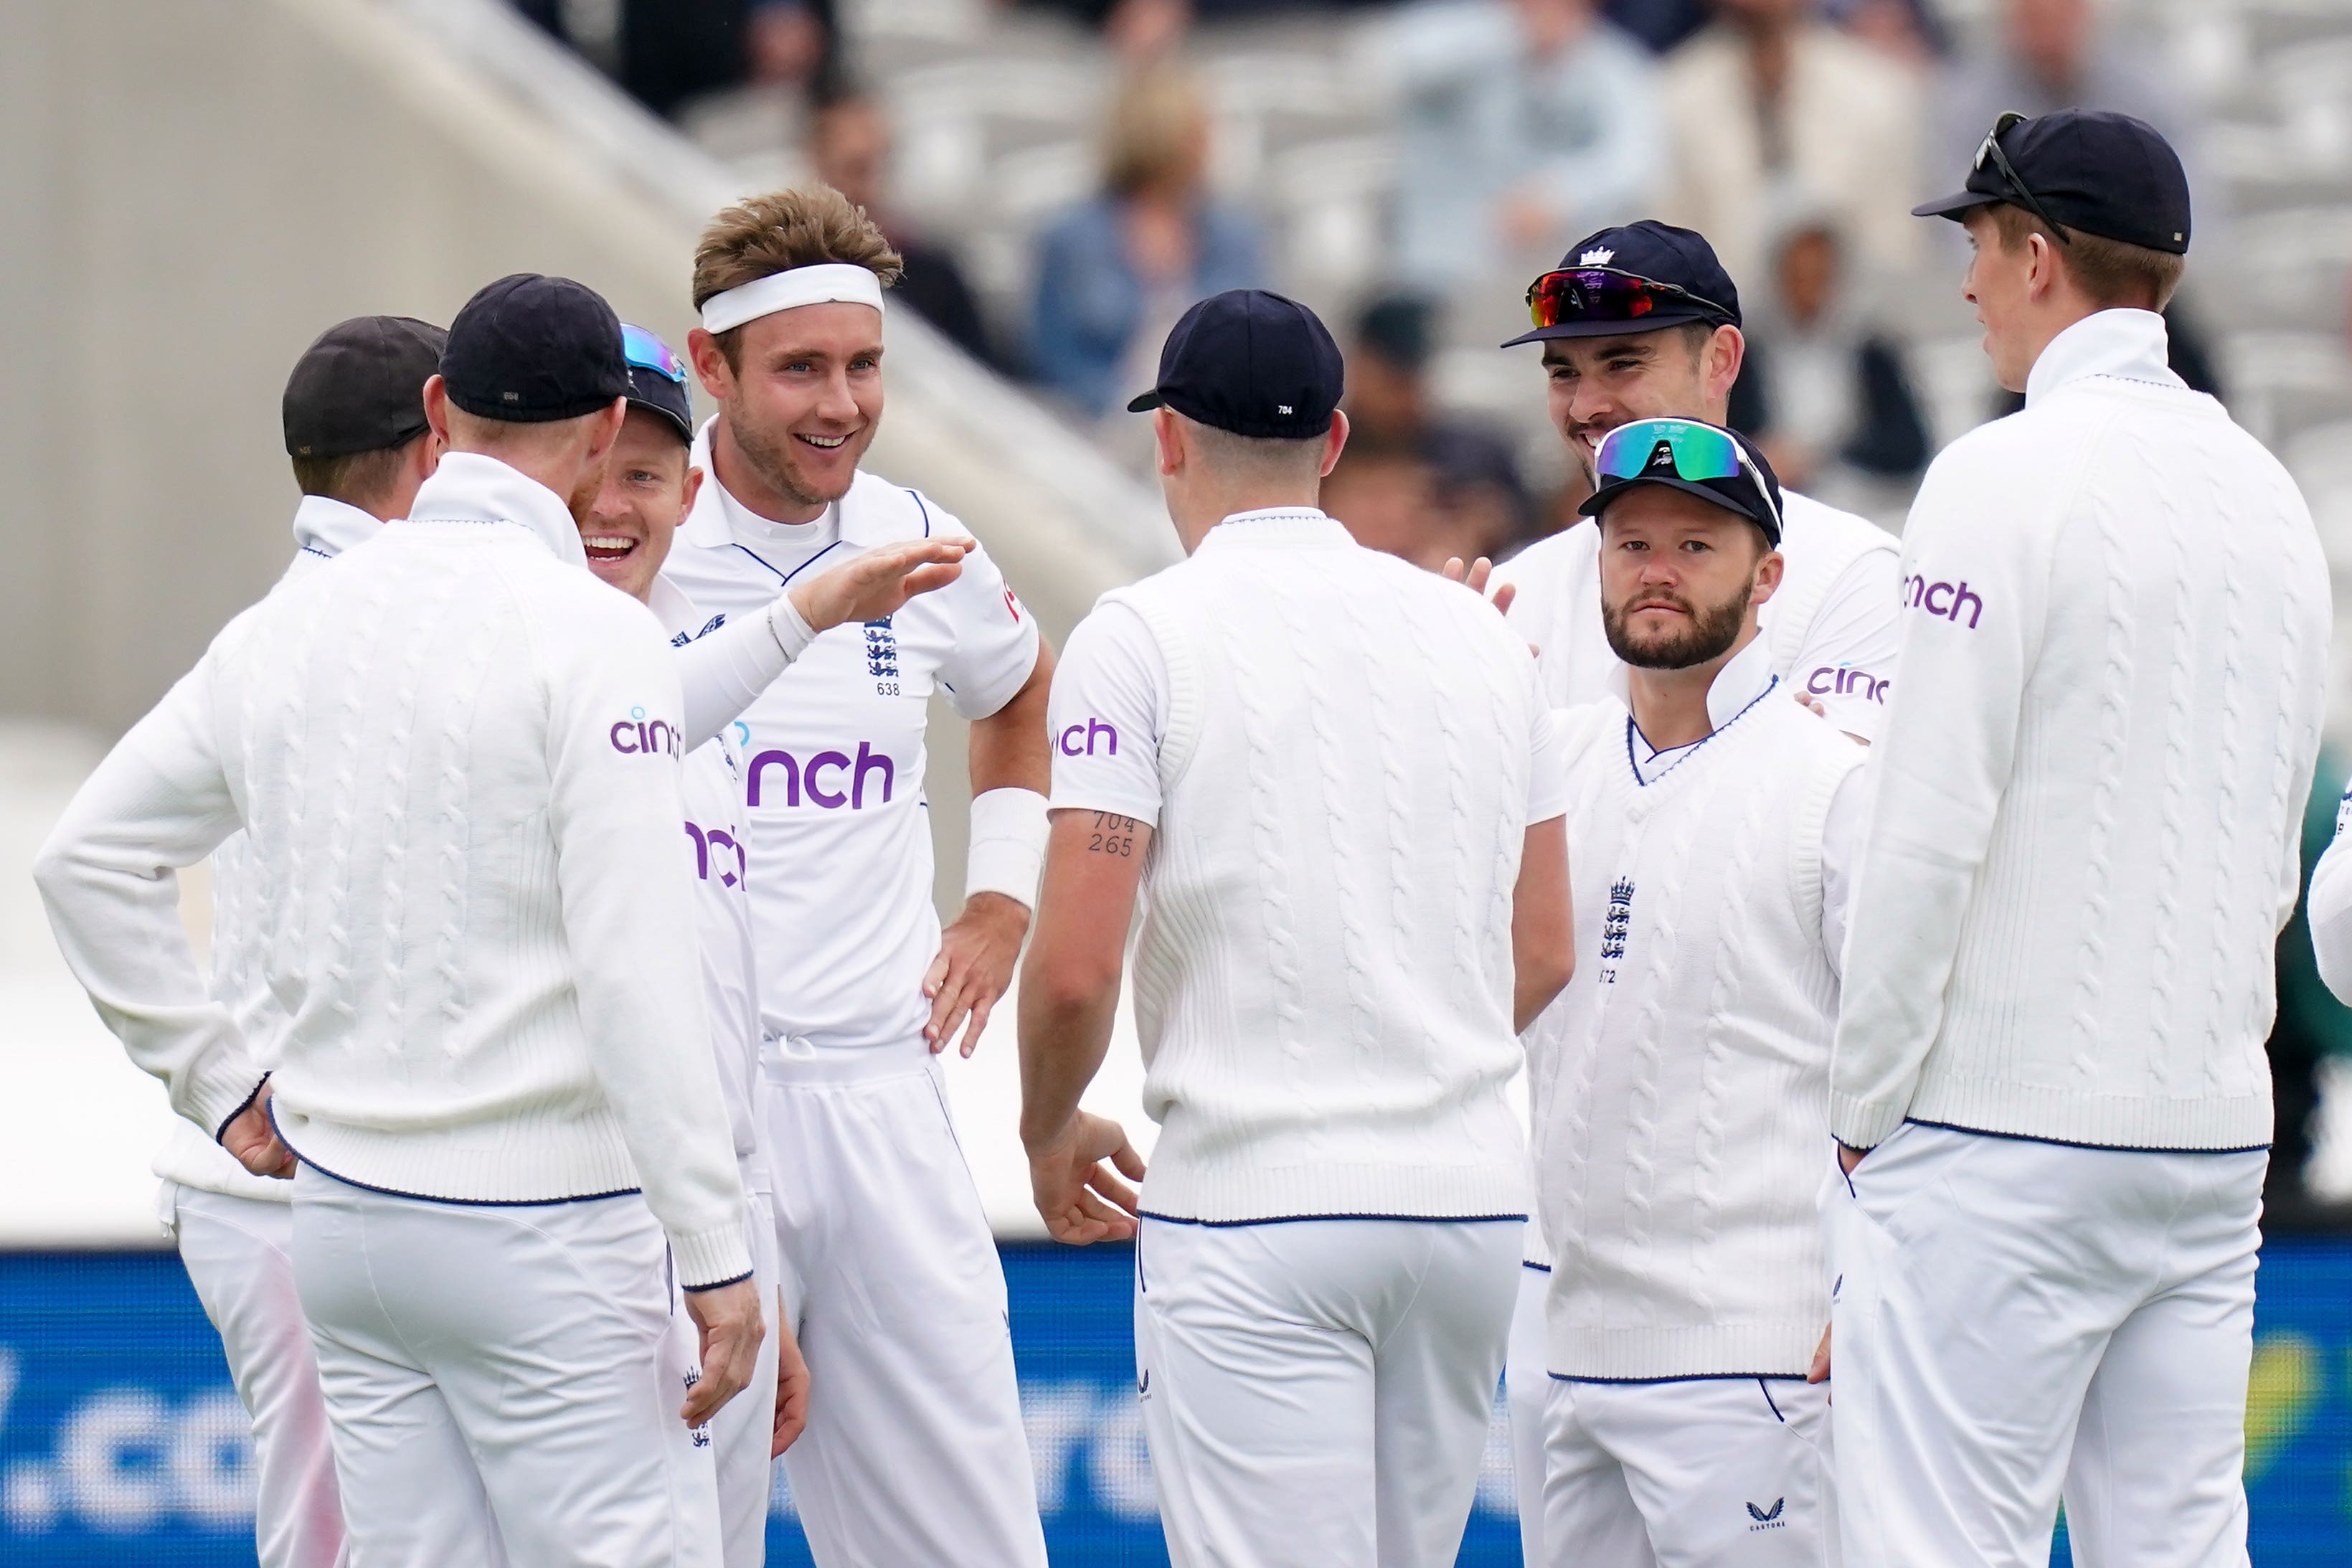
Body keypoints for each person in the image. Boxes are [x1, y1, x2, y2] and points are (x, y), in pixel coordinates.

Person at [34, 274, 762, 1565]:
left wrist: (214, 1078)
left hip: (351, 1231)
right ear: (605, 436)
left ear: (442, 412)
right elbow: (635, 972)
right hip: (547, 1229)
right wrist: (714, 1251)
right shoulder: (593, 637)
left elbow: (87, 858)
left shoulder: (289, 622)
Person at [1822, 110, 2329, 1565]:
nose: (1968, 284)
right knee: (2175, 1548)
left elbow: (1924, 834)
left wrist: (1859, 1105)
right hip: (2203, 1134)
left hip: (2002, 1130)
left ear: (2036, 254)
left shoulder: (1996, 478)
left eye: (1979, 248)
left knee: (1930, 1545)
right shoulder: (2270, 502)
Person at [1019, 288, 1576, 1567]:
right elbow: (1541, 947)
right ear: (1332, 442)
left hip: (1259, 1206)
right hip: (1462, 1208)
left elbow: (1070, 973)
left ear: (1166, 440)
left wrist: (1048, 1127)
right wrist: (1403, 1057)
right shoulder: (1481, 636)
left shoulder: (1138, 636)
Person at [1488, 217, 1899, 1564]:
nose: (1587, 400)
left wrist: (1874, 1264)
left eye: (1622, 359)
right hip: (1564, 1278)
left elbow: (1869, 946)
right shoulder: (1517, 594)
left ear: (1721, 356)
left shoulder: (1846, 579)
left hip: (1756, 1290)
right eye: (1564, 371)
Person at [659, 185, 1057, 1567]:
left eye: (863, 365)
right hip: (689, 1120)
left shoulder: (918, 534)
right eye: (800, 369)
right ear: (710, 367)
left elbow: (1019, 692)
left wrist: (1000, 895)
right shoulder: (635, 537)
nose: (839, 403)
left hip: (879, 1092)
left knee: (971, 1541)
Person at [578, 323, 970, 1564]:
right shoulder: (545, 679)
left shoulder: (641, 681)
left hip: (708, 1218)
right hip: (570, 1221)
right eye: (583, 467)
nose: (607, 503)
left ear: (682, 490)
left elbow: (696, 999)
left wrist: (733, 1253)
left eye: (641, 474)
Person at [1527, 416, 1861, 1565]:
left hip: (1756, 1357)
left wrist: (1870, 1286)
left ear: (1768, 577)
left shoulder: (1834, 784)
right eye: (1629, 545)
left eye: (1693, 545)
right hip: (1568, 1349)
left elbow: (1913, 1054)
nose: (1654, 570)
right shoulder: (1544, 764)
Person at [145, 313, 445, 1568]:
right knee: (335, 1543)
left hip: (283, 1181)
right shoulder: (368, 636)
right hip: (297, 1182)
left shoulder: (268, 633)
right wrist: (221, 1085)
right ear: (437, 438)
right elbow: (89, 864)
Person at [1029, 67, 1266, 419]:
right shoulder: (1071, 241)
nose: (1213, 148)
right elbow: (1053, 357)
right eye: (1200, 134)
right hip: (1092, 430)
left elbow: (1262, 347)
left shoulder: (1237, 237)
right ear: (1164, 137)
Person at [1384, 0, 1660, 294]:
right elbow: (1386, 66)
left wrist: (1558, 197)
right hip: (1434, 272)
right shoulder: (1454, 33)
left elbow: (1636, 163)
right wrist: (1510, 33)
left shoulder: (1617, 65)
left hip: (1553, 283)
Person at [1657, 0, 1921, 293]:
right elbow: (1670, 252)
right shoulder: (1672, 99)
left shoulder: (1876, 94)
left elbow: (1895, 246)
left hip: (1856, 318)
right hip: (1721, 317)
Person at [1727, 210, 1932, 500]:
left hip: (1863, 500)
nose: (1810, 289)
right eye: (1798, 276)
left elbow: (1909, 447)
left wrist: (1823, 455)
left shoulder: (1873, 349)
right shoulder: (1748, 356)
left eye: (1819, 274)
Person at [1324, 293, 1535, 570]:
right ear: (1358, 364)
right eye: (1393, 380)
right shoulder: (1317, 448)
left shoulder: (1477, 455)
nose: (1407, 396)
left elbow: (1533, 531)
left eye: (1416, 377)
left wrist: (1489, 526)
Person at [808, 72, 1001, 369]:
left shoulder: (935, 277)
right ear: (816, 163)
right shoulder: (790, 278)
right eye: (855, 168)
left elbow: (986, 384)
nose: (870, 187)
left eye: (881, 164)